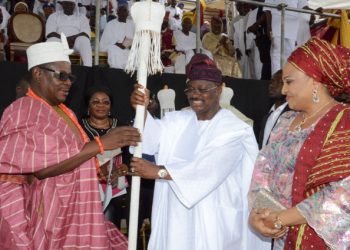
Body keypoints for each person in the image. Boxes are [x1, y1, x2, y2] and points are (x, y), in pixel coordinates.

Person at [0, 35, 140, 249]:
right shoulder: (25, 109)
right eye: (61, 76)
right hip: (48, 215)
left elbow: (70, 156)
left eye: (70, 78)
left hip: (72, 209)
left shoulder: (62, 112)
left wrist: (98, 170)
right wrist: (101, 144)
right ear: (37, 74)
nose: (68, 83)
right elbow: (42, 169)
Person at [130, 53, 270, 250]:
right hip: (177, 217)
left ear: (219, 89)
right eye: (191, 89)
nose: (195, 94)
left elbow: (209, 167)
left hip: (215, 219)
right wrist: (141, 109)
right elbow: (150, 140)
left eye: (203, 89)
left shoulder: (235, 129)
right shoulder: (178, 120)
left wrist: (158, 171)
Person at [248, 37, 350, 249]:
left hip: (319, 237)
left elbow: (343, 191)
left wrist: (282, 218)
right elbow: (263, 171)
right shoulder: (285, 120)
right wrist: (258, 214)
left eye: (289, 81)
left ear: (314, 80)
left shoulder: (344, 121)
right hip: (281, 236)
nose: (283, 90)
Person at [80, 85, 129, 228]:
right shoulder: (78, 127)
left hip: (116, 188)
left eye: (105, 102)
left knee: (110, 230)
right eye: (96, 102)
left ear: (111, 106)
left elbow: (130, 156)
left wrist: (122, 169)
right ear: (88, 106)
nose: (101, 105)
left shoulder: (121, 127)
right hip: (86, 187)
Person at [46, 0, 92, 67]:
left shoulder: (82, 17)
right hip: (59, 41)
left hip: (76, 42)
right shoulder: (53, 16)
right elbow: (50, 33)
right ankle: (51, 68)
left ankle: (88, 68)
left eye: (71, 4)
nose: (68, 6)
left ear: (74, 5)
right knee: (51, 40)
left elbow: (85, 33)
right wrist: (64, 40)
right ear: (62, 4)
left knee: (84, 40)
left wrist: (71, 39)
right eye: (66, 3)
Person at [258, 69, 289, 149]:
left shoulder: (292, 114)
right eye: (271, 81)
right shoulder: (267, 114)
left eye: (279, 82)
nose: (272, 85)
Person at [99, 2, 134, 69]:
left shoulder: (132, 24)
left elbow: (136, 40)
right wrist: (117, 44)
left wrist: (131, 45)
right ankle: (117, 72)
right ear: (117, 12)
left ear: (128, 13)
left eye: (124, 10)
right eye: (120, 10)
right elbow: (103, 44)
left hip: (129, 50)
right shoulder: (110, 24)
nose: (123, 12)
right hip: (115, 48)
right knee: (113, 50)